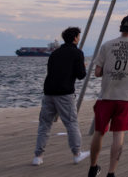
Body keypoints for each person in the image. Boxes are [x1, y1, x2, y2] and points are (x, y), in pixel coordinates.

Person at [87, 15, 128, 177]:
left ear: (120, 27)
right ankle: (111, 172)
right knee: (118, 134)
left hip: (107, 95)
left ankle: (93, 167)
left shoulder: (107, 45)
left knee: (99, 131)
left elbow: (97, 72)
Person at [32, 26, 90, 166]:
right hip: (65, 93)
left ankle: (38, 157)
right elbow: (81, 75)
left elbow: (51, 71)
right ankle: (77, 153)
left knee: (44, 125)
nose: (79, 38)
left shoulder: (55, 53)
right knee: (71, 123)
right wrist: (83, 65)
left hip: (49, 91)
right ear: (75, 38)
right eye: (78, 36)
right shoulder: (77, 53)